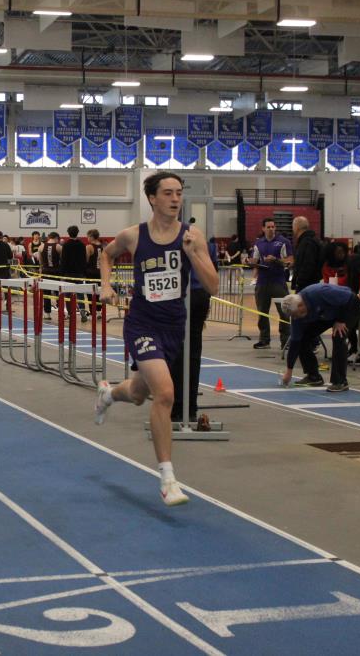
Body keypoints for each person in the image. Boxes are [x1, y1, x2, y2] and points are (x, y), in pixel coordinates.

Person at [94, 172, 218, 506]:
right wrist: (106, 285)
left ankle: (108, 394)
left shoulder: (192, 236)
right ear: (152, 198)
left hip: (173, 326)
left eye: (179, 193)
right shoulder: (133, 236)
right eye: (168, 193)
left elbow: (213, 285)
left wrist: (193, 255)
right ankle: (168, 479)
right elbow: (106, 254)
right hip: (142, 324)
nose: (175, 199)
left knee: (138, 393)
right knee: (165, 393)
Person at [279, 283, 360, 393]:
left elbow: (350, 298)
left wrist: (341, 320)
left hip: (349, 306)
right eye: (292, 316)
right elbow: (295, 342)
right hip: (327, 313)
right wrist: (289, 371)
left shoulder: (320, 292)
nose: (294, 318)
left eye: (295, 314)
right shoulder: (296, 316)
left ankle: (340, 382)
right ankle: (313, 376)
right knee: (303, 338)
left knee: (338, 336)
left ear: (301, 306)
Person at [171, 235, 218, 430]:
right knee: (191, 352)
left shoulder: (172, 238)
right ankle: (189, 407)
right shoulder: (206, 242)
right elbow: (213, 273)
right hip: (197, 295)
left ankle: (178, 407)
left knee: (178, 352)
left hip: (183, 295)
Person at [248, 218, 292, 349]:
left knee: (284, 312)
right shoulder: (258, 243)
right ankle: (264, 340)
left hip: (278, 281)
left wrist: (276, 260)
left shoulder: (283, 242)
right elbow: (254, 260)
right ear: (263, 228)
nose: (271, 229)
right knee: (262, 312)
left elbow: (290, 261)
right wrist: (248, 262)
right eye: (268, 227)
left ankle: (285, 341)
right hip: (262, 282)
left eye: (273, 227)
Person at [60, 225, 88, 322]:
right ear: (77, 232)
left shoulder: (66, 245)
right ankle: (83, 312)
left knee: (68, 294)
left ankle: (70, 314)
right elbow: (84, 259)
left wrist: (62, 274)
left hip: (68, 273)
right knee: (80, 293)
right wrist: (84, 272)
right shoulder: (82, 245)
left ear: (68, 233)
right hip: (79, 273)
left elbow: (63, 260)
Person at [290, 215, 323, 292]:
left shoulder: (306, 242)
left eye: (293, 226)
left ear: (297, 227)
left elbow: (308, 264)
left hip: (306, 286)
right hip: (312, 283)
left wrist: (299, 282)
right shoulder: (312, 240)